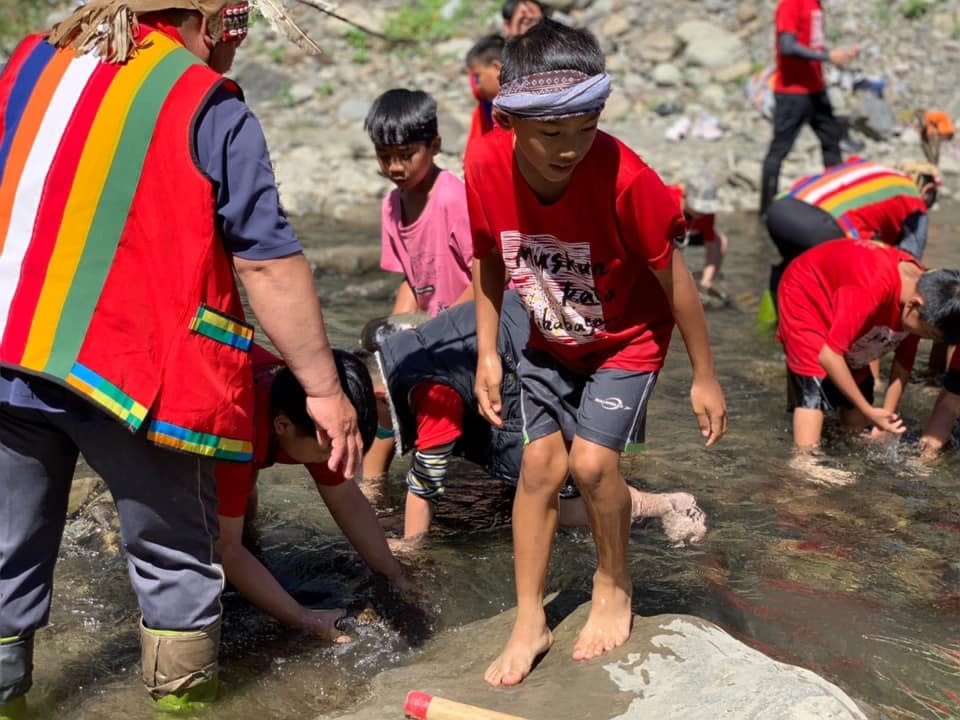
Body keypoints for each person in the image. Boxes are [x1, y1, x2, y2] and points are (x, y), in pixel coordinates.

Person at [0, 0, 362, 715]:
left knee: (6, 561)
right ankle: (185, 706)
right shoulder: (206, 102)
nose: (233, 50)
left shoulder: (31, 61)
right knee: (176, 567)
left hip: (10, 352)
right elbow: (267, 263)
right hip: (130, 374)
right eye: (237, 31)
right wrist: (323, 388)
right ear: (217, 22)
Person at [467, 20, 728, 686]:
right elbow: (488, 258)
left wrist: (705, 376)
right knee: (537, 467)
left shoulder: (625, 179)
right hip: (546, 336)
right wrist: (486, 355)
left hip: (626, 340)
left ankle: (613, 582)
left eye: (585, 130)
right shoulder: (482, 164)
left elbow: (676, 283)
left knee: (591, 463)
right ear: (510, 121)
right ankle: (530, 617)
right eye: (551, 134)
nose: (569, 150)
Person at [360, 292, 708, 548]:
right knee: (551, 479)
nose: (382, 428)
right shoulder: (409, 354)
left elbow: (425, 482)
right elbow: (392, 430)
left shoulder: (430, 391)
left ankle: (665, 504)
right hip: (540, 335)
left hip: (536, 362)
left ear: (379, 395)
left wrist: (411, 544)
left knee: (558, 503)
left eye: (375, 417)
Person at [216, 346, 407, 643]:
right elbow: (225, 548)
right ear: (283, 426)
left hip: (251, 404)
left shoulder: (319, 416)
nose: (333, 463)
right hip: (205, 415)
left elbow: (346, 498)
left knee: (242, 511)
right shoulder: (233, 433)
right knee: (212, 537)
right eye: (326, 453)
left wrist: (394, 577)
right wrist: (304, 617)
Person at [776, 239, 960, 451]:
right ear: (914, 305)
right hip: (807, 291)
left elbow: (902, 364)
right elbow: (829, 356)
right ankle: (804, 460)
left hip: (849, 299)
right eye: (928, 334)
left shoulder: (930, 298)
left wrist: (885, 419)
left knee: (855, 423)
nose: (926, 339)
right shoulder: (874, 288)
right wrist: (870, 410)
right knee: (814, 375)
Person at [365, 88, 474, 318]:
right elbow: (413, 281)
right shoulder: (391, 205)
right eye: (384, 156)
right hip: (438, 327)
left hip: (477, 320)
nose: (394, 167)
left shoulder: (453, 199)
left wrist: (443, 327)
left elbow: (491, 277)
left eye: (406, 155)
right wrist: (391, 332)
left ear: (434, 146)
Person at [766, 158, 941, 300]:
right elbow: (909, 260)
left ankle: (770, 321)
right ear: (927, 190)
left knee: (791, 268)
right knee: (847, 283)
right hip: (818, 227)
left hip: (778, 209)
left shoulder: (867, 167)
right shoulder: (913, 197)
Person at [758, 0, 860, 216]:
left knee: (832, 142)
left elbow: (811, 44)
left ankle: (837, 204)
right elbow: (787, 46)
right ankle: (766, 212)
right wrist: (828, 57)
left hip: (816, 88)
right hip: (792, 92)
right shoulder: (791, 4)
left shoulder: (816, 4)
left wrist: (837, 55)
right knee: (779, 150)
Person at [666, 176, 729, 298]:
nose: (702, 213)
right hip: (670, 234)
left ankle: (706, 282)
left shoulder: (706, 214)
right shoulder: (669, 197)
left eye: (706, 209)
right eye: (699, 208)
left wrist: (705, 282)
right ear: (685, 196)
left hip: (689, 233)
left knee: (721, 241)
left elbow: (711, 243)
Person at [465, 34, 505, 155]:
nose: (477, 86)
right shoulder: (487, 105)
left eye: (478, 76)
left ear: (496, 68)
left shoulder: (522, 110)